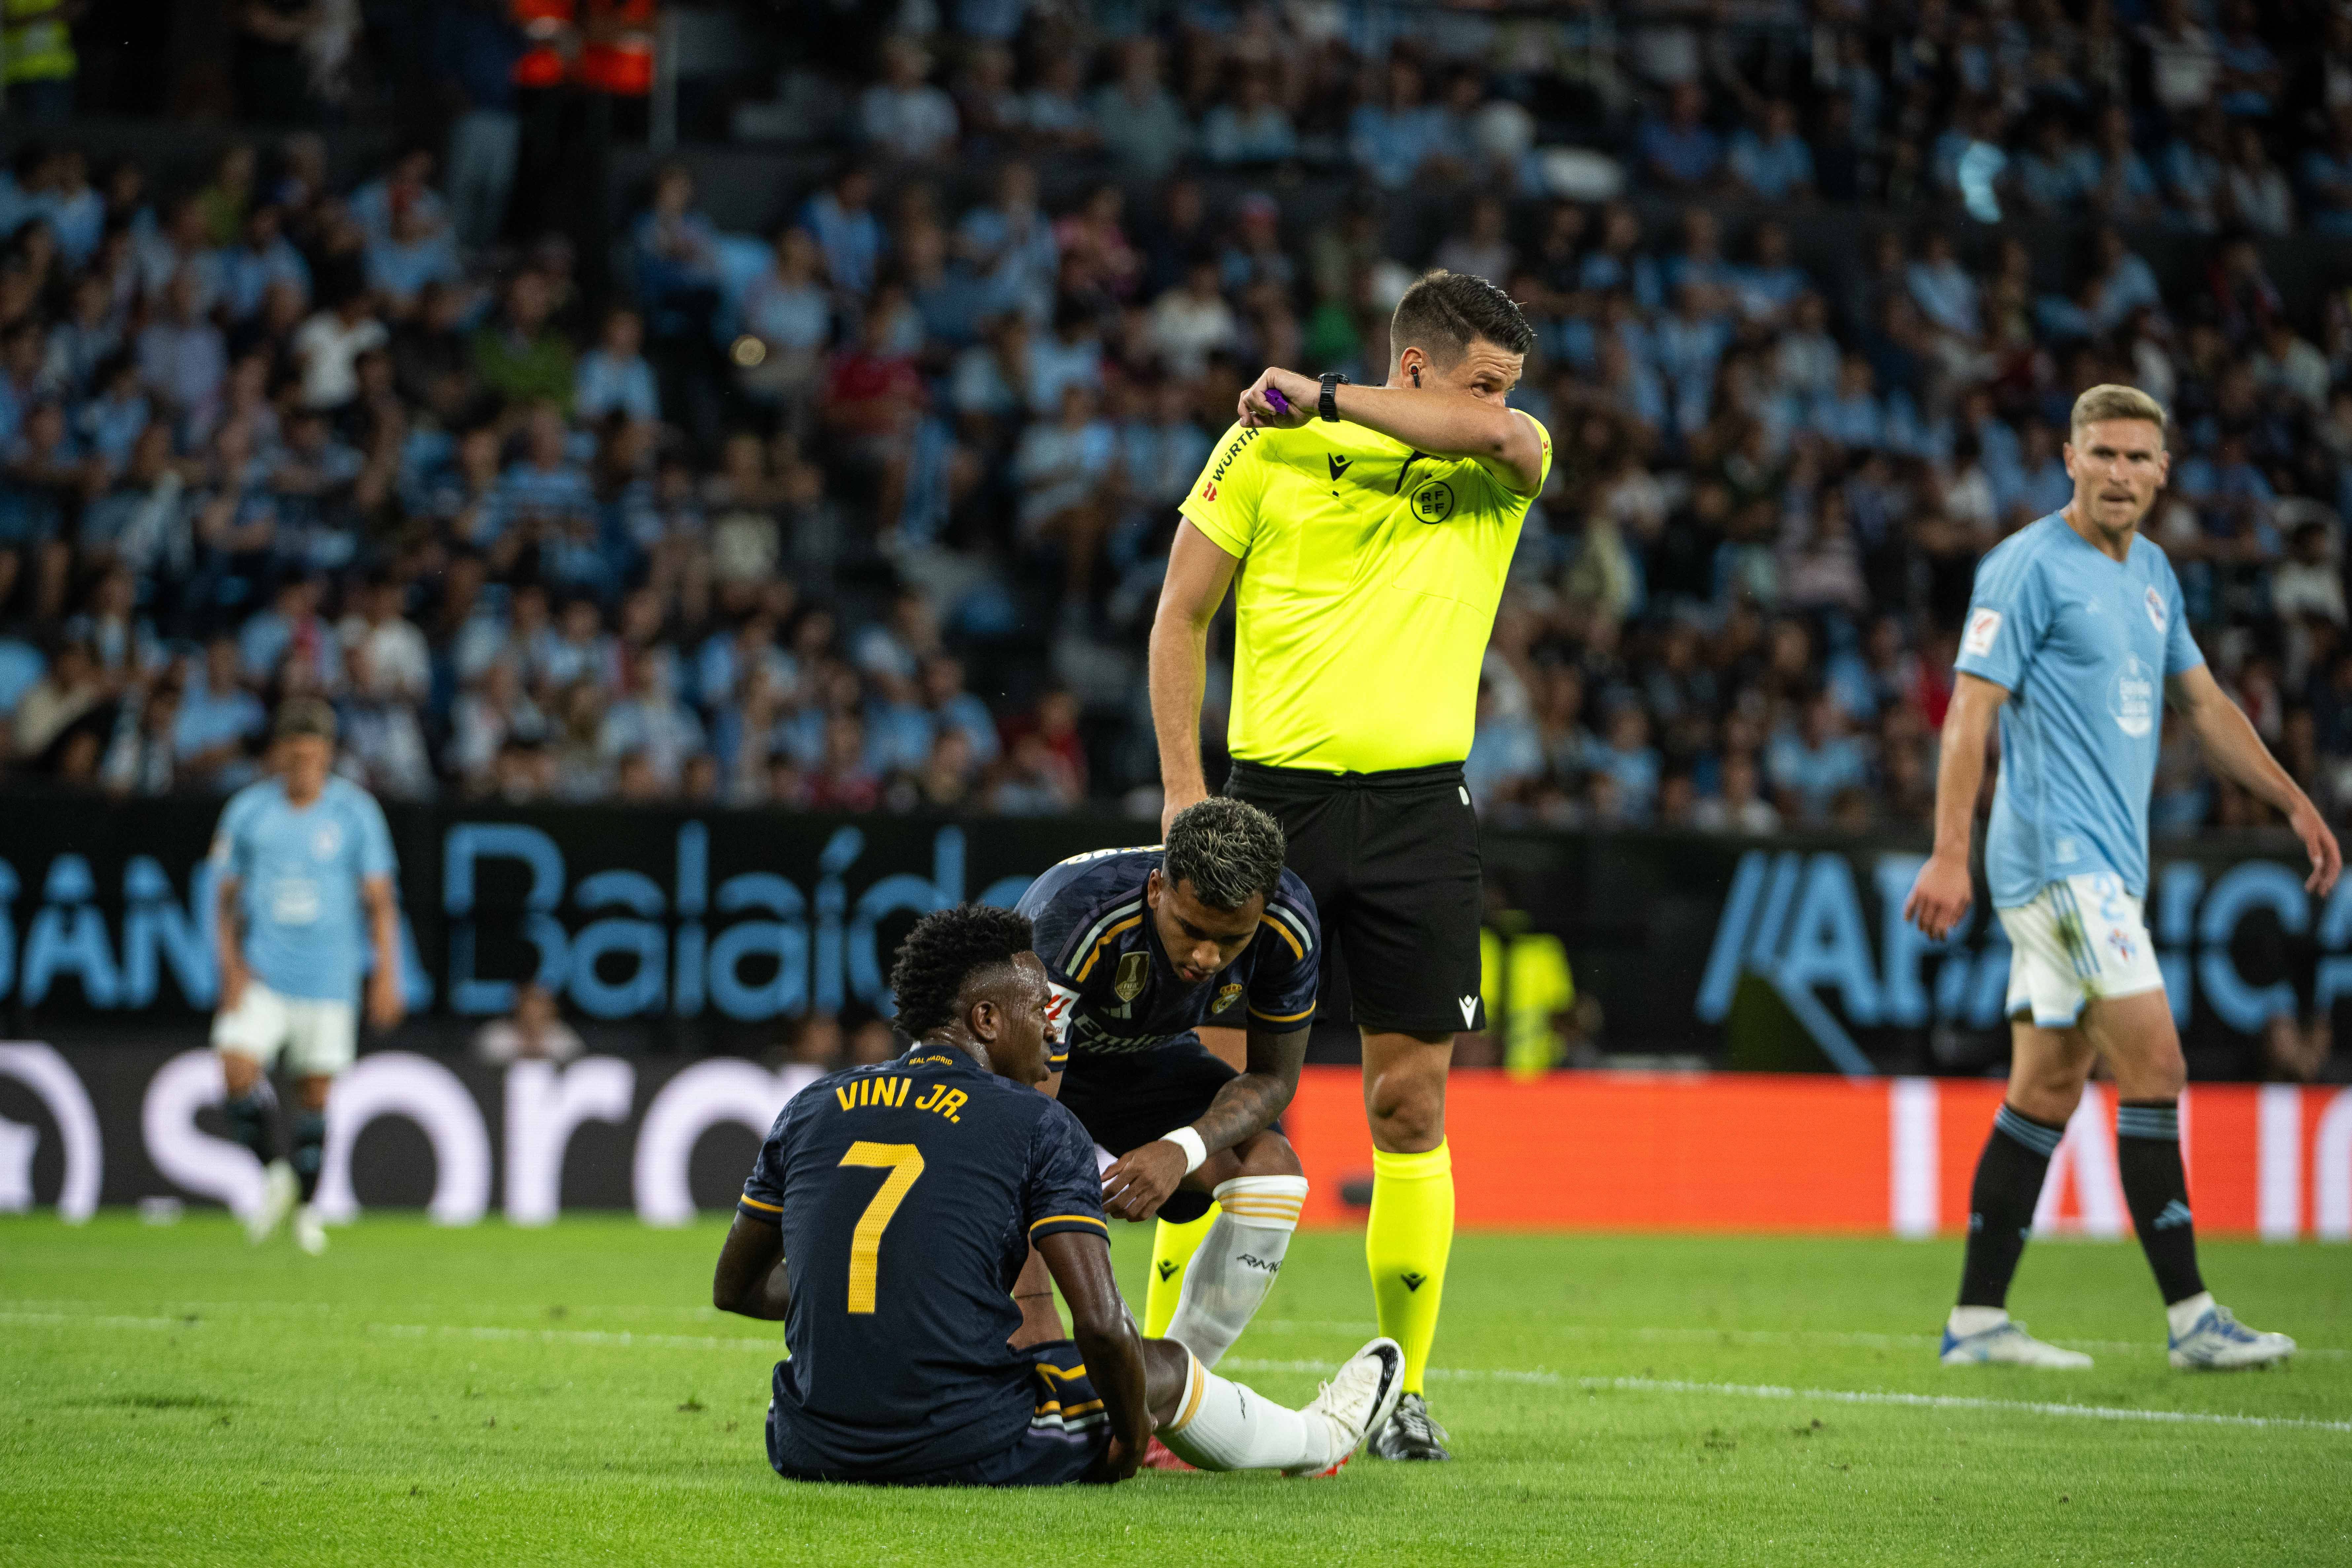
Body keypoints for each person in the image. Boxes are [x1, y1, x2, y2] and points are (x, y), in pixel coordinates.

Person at [1148, 268, 1550, 1460]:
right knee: (1209, 1103)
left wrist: (1324, 395)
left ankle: (1403, 1388)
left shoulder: (1492, 454)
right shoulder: (1259, 450)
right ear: (1416, 363)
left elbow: (1505, 438)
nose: (1505, 404)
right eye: (1483, 376)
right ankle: (1166, 1371)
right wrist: (1183, 790)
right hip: (1273, 808)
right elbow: (1181, 615)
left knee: (1407, 1102)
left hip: (1424, 813)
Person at [1904, 384, 2339, 1372]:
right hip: (2061, 868)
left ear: (2163, 471)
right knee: (2158, 1067)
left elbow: (2207, 702)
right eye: (2101, 454)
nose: (2120, 474)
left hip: (2103, 868)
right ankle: (2193, 1317)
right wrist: (1947, 850)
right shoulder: (2024, 567)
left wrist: (2292, 800)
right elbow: (1970, 713)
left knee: (2049, 1086)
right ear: (2067, 458)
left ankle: (1977, 1320)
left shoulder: (2151, 575)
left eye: (2138, 459)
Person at [711, 905, 1403, 1486]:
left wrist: (873, 1300)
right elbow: (1102, 1328)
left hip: (806, 1445)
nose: (1055, 1024)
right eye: (1040, 1007)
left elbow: (734, 1289)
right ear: (985, 1019)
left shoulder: (811, 1106)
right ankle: (1320, 1438)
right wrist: (1131, 1442)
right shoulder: (1038, 1122)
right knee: (1156, 1365)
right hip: (964, 1443)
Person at [1010, 797, 1316, 1381]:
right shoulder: (1077, 916)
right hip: (1034, 1072)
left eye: (1231, 941)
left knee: (1272, 1171)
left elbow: (1275, 1079)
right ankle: (1036, 1364)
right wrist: (1042, 1327)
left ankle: (1173, 1393)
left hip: (1149, 1059)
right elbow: (1022, 1120)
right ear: (1157, 890)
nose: (1207, 957)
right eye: (1192, 931)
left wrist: (1181, 1149)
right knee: (1014, 1167)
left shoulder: (1289, 924)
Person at [208, 697, 405, 1255]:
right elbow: (223, 898)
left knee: (314, 1096)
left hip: (329, 978)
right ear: (278, 756)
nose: (302, 770)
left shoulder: (355, 813)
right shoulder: (249, 812)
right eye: (293, 759)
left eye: (313, 758)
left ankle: (308, 1212)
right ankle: (276, 1173)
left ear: (328, 756)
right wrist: (230, 966)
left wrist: (387, 975)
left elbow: (380, 901)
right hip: (263, 974)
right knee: (236, 1068)